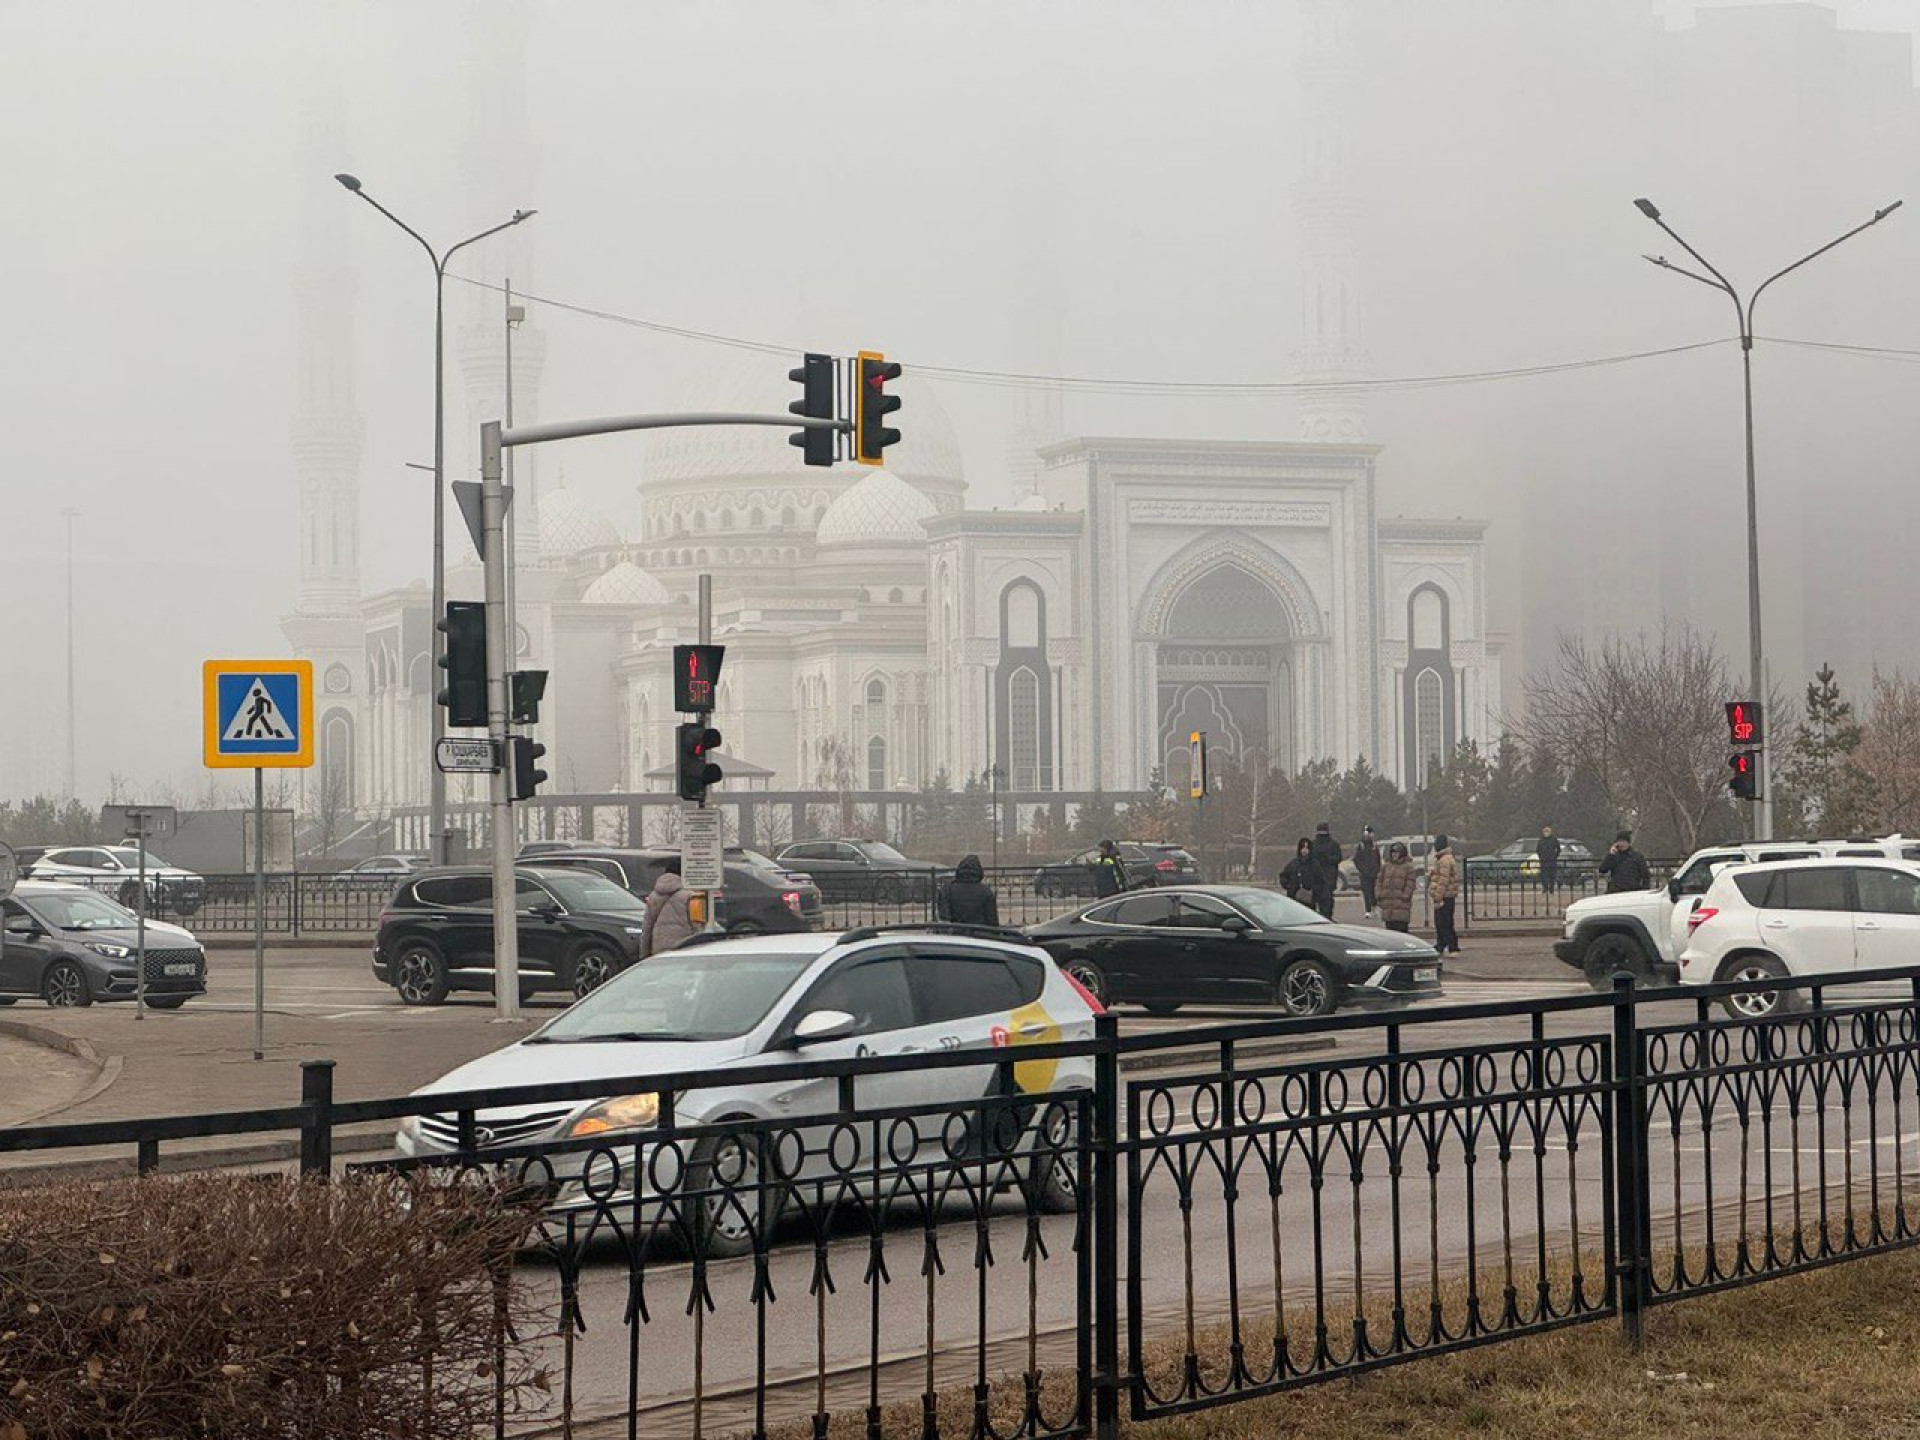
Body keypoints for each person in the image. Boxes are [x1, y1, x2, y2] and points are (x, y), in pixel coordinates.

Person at [641, 859, 697, 956]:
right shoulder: (689, 895)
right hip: (685, 945)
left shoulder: (653, 896)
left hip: (659, 946)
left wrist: (644, 954)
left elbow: (647, 928)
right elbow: (697, 925)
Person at [939, 853, 1000, 926]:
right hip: (980, 933)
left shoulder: (948, 889)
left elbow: (944, 917)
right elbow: (992, 920)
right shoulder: (986, 891)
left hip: (956, 933)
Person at [1429, 834, 1461, 955]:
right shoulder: (1444, 858)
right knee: (1441, 922)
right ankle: (1441, 944)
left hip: (1445, 896)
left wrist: (1438, 896)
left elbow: (1443, 879)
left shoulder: (1444, 860)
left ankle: (1453, 946)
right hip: (1446, 895)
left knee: (1444, 922)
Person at [1377, 841, 1417, 932]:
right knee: (1390, 933)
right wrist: (1379, 894)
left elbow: (1410, 884)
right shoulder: (1386, 866)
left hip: (1401, 906)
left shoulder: (1408, 868)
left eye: (1397, 853)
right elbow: (1379, 881)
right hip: (1388, 906)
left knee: (1401, 932)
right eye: (1393, 853)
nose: (1394, 855)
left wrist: (1405, 896)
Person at [1309, 822, 1343, 920]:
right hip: (1318, 878)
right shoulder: (1313, 844)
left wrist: (1327, 859)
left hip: (1329, 877)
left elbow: (1338, 858)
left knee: (1327, 900)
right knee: (1318, 900)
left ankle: (1326, 917)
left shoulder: (1333, 844)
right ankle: (1320, 918)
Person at [1353, 826, 1383, 918]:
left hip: (1374, 874)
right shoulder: (1361, 846)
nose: (1369, 834)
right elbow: (1356, 860)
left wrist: (1377, 870)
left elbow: (1378, 859)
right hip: (1364, 874)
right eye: (1367, 832)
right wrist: (1362, 870)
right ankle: (1368, 910)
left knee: (1374, 892)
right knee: (1366, 892)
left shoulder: (1374, 846)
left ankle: (1374, 908)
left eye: (1370, 832)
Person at [1279, 838, 1314, 902]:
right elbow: (1283, 876)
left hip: (1309, 899)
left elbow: (1320, 881)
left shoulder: (1314, 864)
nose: (1304, 850)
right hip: (1293, 898)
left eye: (1307, 848)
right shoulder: (1293, 863)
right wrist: (1289, 886)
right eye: (1303, 848)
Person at [1536, 825, 1562, 893]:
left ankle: (1551, 888)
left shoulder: (1554, 839)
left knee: (1552, 875)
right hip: (1543, 861)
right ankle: (1545, 887)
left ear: (1550, 832)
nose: (1546, 833)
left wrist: (1555, 856)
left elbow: (1558, 849)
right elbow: (1538, 850)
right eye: (1545, 832)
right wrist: (1541, 857)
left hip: (1552, 860)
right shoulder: (1541, 840)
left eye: (1548, 832)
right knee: (1543, 875)